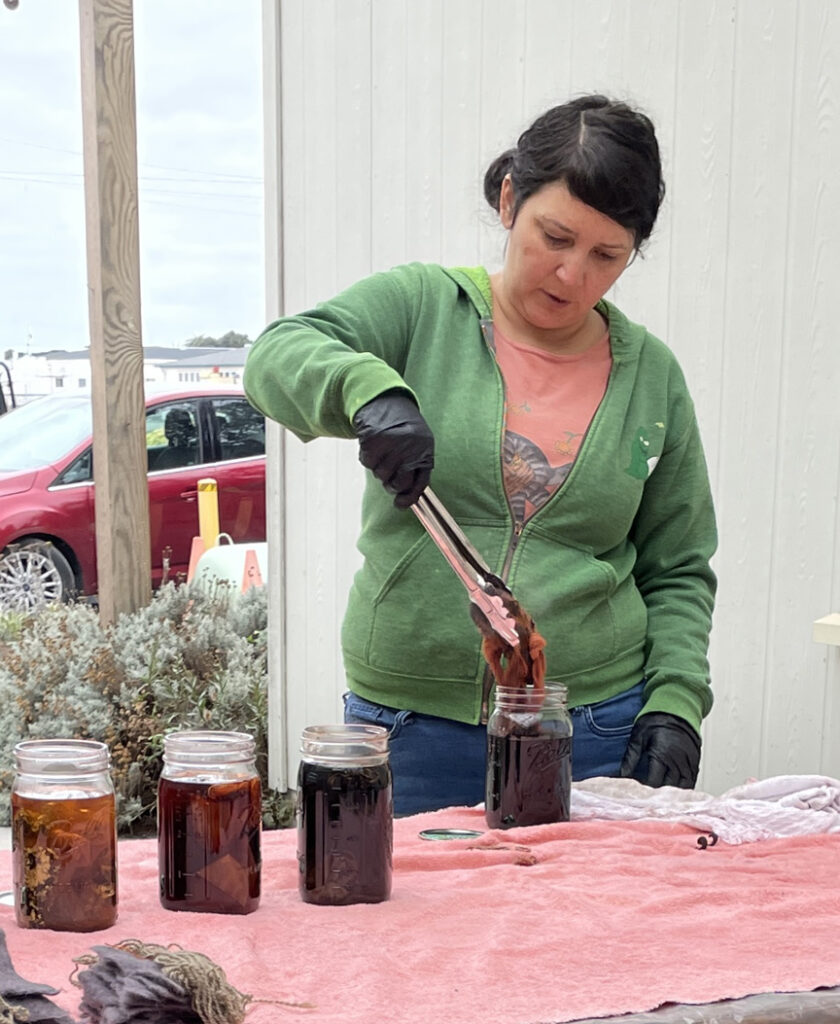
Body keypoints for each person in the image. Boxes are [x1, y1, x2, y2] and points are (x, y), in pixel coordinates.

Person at [243, 94, 717, 815]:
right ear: (508, 200)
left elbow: (678, 566)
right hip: (409, 730)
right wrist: (367, 391)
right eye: (554, 237)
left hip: (590, 729)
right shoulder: (421, 308)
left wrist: (676, 703)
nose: (572, 275)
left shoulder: (652, 376)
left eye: (605, 256)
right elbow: (276, 355)